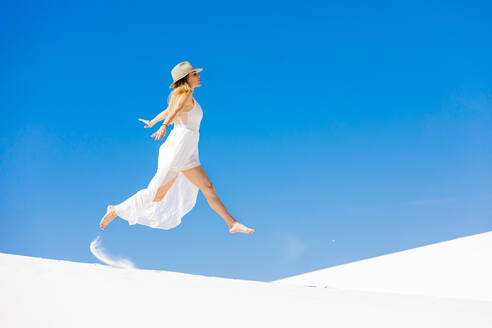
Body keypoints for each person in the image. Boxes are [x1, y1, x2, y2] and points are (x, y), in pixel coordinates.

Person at [99, 61, 255, 234]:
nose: (198, 76)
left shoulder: (187, 96)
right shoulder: (186, 95)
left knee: (208, 187)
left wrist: (153, 121)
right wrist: (163, 125)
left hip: (188, 149)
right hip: (179, 147)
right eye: (195, 74)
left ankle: (231, 223)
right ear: (186, 78)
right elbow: (174, 110)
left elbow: (169, 110)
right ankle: (115, 210)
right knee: (156, 194)